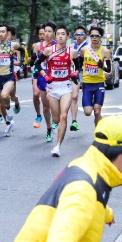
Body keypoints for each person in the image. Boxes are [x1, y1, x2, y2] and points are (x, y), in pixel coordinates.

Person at [3, 115, 122, 242]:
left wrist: (107, 214)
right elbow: (69, 218)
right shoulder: (85, 185)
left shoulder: (87, 167)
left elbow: (84, 203)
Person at [34, 25, 78, 157]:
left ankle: (58, 146)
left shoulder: (72, 52)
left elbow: (78, 66)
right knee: (57, 119)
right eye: (58, 34)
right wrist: (44, 75)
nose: (60, 36)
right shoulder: (48, 51)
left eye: (63, 34)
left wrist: (75, 73)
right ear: (55, 36)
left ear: (67, 36)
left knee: (64, 116)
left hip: (65, 86)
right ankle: (54, 125)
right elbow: (37, 64)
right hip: (53, 87)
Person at [0, 24, 21, 137]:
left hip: (9, 76)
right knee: (2, 104)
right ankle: (8, 123)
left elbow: (18, 46)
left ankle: (15, 103)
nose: (1, 34)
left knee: (4, 95)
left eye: (3, 32)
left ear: (7, 33)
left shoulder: (12, 45)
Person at [79, 26, 112, 126]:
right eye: (92, 36)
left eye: (96, 36)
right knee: (88, 112)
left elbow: (109, 69)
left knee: (97, 111)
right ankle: (93, 103)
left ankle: (98, 131)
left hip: (99, 83)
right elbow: (79, 66)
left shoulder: (105, 51)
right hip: (87, 83)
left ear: (100, 37)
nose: (94, 38)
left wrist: (102, 66)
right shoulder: (84, 50)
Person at [32, 22, 57, 141]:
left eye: (49, 31)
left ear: (54, 33)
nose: (46, 34)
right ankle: (49, 128)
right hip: (42, 76)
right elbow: (34, 61)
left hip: (55, 77)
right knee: (46, 106)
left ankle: (56, 118)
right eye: (45, 31)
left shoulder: (57, 46)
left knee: (52, 102)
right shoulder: (38, 46)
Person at [69, 25, 88, 131]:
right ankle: (74, 121)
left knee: (87, 99)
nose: (79, 36)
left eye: (81, 34)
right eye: (77, 34)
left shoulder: (88, 47)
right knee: (74, 96)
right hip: (75, 73)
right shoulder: (71, 47)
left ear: (85, 36)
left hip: (87, 74)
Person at [28, 25, 47, 128]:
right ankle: (38, 115)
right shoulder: (36, 45)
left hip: (49, 73)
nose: (42, 36)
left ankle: (49, 115)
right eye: (40, 34)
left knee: (48, 99)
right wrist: (33, 58)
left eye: (44, 34)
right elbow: (31, 62)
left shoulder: (53, 46)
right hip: (37, 72)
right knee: (36, 94)